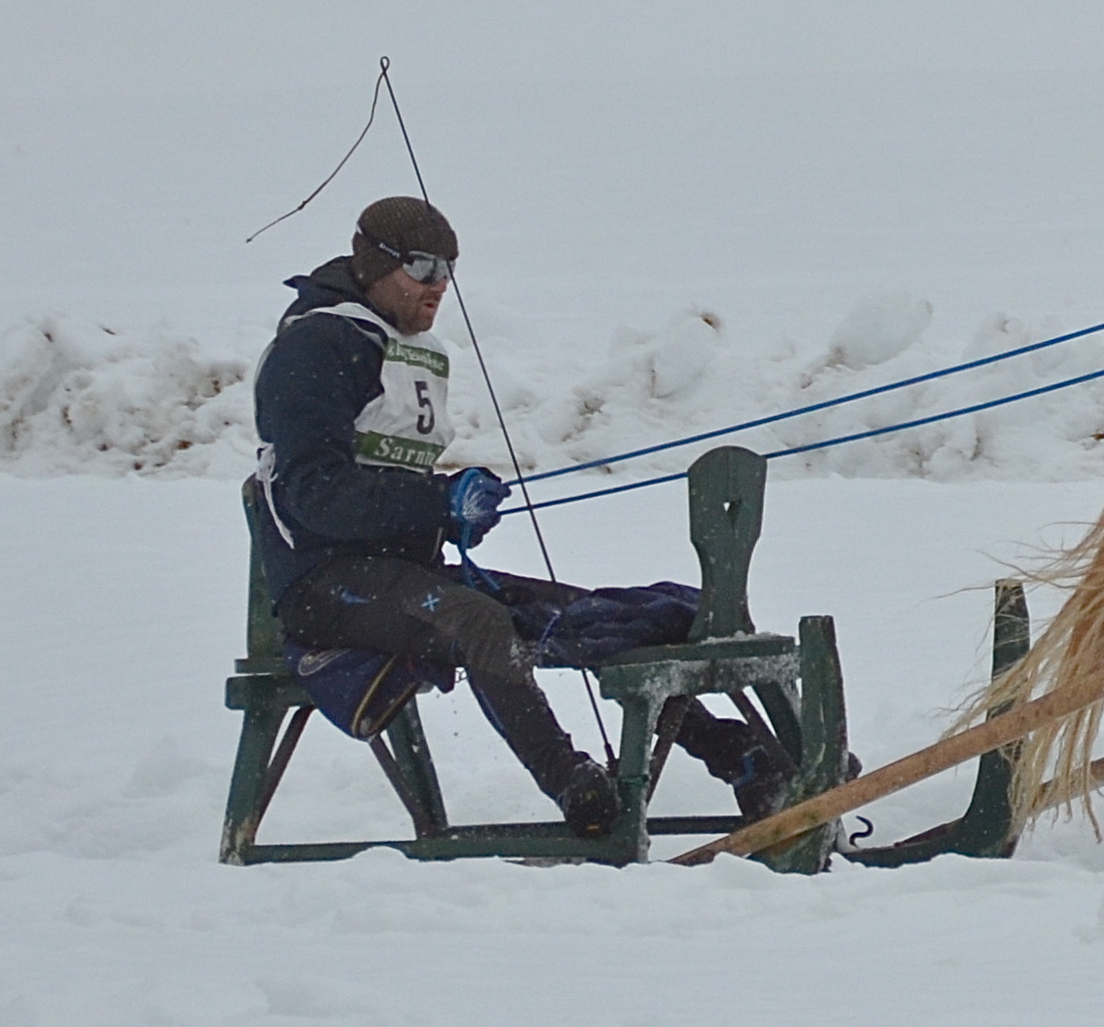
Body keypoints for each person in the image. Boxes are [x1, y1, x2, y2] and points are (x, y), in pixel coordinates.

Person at [248, 197, 791, 837]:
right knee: (480, 623)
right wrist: (437, 502)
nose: (439, 285)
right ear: (375, 264)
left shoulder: (398, 346)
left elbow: (388, 484)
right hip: (322, 588)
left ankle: (744, 759)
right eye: (422, 267)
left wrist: (452, 513)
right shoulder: (316, 346)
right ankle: (574, 783)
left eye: (449, 268)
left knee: (592, 615)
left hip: (405, 574)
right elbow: (313, 495)